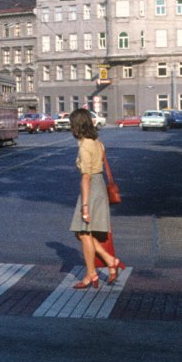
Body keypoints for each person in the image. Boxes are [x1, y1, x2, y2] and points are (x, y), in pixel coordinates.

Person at [68, 108, 124, 289]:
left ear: (77, 125)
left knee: (84, 233)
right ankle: (110, 260)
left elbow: (86, 176)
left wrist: (85, 206)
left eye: (72, 124)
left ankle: (91, 273)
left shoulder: (85, 145)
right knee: (83, 232)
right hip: (99, 185)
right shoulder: (97, 142)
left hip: (91, 188)